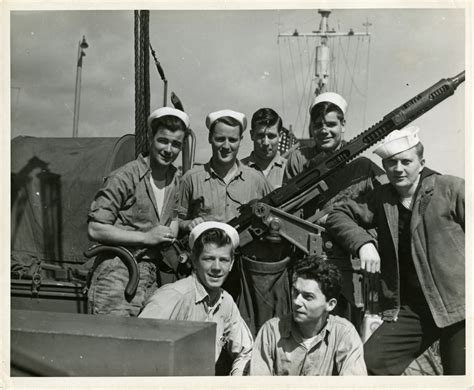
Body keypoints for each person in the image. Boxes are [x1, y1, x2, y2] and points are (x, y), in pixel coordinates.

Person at [326, 126, 465, 375]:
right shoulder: (382, 198)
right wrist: (363, 244)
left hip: (460, 306)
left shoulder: (450, 188)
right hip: (413, 310)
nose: (398, 169)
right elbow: (338, 214)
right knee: (368, 364)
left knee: (461, 374)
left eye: (406, 162)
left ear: (421, 163)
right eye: (391, 163)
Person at [87, 107, 189, 316]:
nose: (168, 149)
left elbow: (174, 217)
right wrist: (146, 237)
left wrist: (171, 232)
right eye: (163, 141)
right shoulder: (125, 177)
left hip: (151, 276)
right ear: (150, 138)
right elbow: (95, 228)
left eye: (176, 144)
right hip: (118, 271)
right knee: (113, 343)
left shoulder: (175, 181)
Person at [139, 221, 253, 376]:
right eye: (209, 259)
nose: (217, 268)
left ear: (232, 263)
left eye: (224, 260)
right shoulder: (174, 297)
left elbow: (246, 351)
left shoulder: (225, 301)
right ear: (194, 261)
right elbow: (138, 350)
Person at [249, 255, 367, 376]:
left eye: (308, 297)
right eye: (295, 292)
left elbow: (355, 384)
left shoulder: (344, 333)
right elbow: (257, 384)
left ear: (330, 305)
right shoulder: (271, 331)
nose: (296, 301)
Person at [178, 109, 272, 233]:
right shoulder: (191, 179)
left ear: (240, 141)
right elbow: (175, 221)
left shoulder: (257, 180)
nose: (226, 146)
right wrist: (187, 224)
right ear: (210, 138)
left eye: (232, 140)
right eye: (220, 139)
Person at [241, 108, 287, 189]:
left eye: (271, 136)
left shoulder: (289, 169)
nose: (266, 142)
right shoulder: (238, 170)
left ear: (280, 136)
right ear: (252, 135)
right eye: (261, 135)